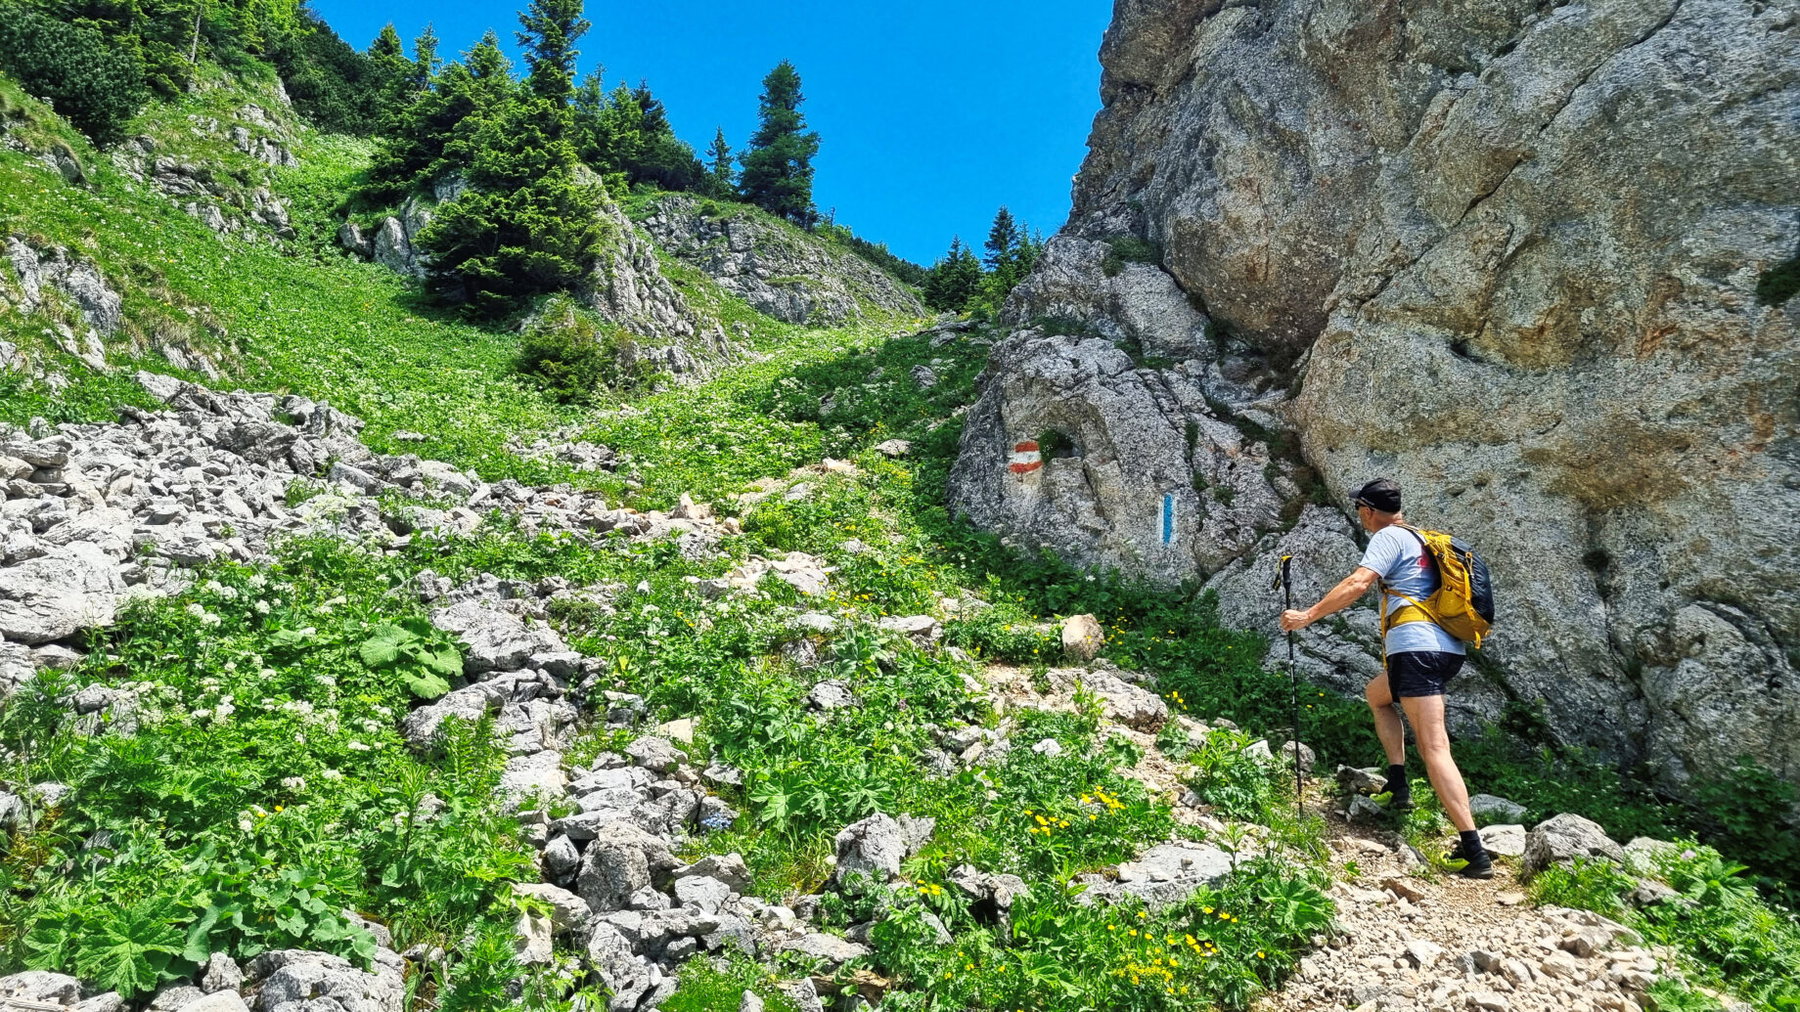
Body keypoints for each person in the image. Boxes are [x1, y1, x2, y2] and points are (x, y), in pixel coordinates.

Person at [1279, 477, 1493, 879]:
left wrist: (1307, 616)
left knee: (1434, 747)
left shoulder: (1387, 537)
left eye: (1361, 511)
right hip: (1445, 649)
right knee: (1377, 695)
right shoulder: (1422, 538)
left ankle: (1474, 850)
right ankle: (1398, 783)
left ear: (1367, 511)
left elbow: (1357, 583)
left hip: (1416, 649)